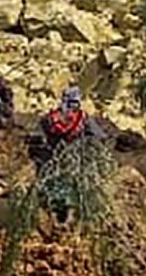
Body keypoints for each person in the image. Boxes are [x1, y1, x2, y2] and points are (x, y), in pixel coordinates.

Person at [29, 87, 105, 223]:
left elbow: (36, 136)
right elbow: (98, 136)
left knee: (50, 187)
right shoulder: (82, 118)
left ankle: (51, 214)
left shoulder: (51, 118)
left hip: (51, 161)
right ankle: (68, 216)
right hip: (72, 161)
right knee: (72, 187)